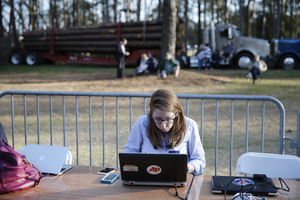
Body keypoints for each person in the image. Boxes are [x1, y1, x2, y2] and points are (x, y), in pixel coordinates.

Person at [123, 89, 206, 175]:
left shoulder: (190, 126)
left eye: (168, 119)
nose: (163, 125)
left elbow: (199, 159)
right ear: (151, 113)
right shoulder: (142, 123)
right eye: (158, 119)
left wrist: (186, 168)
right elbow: (128, 154)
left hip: (177, 180)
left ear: (177, 114)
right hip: (147, 178)